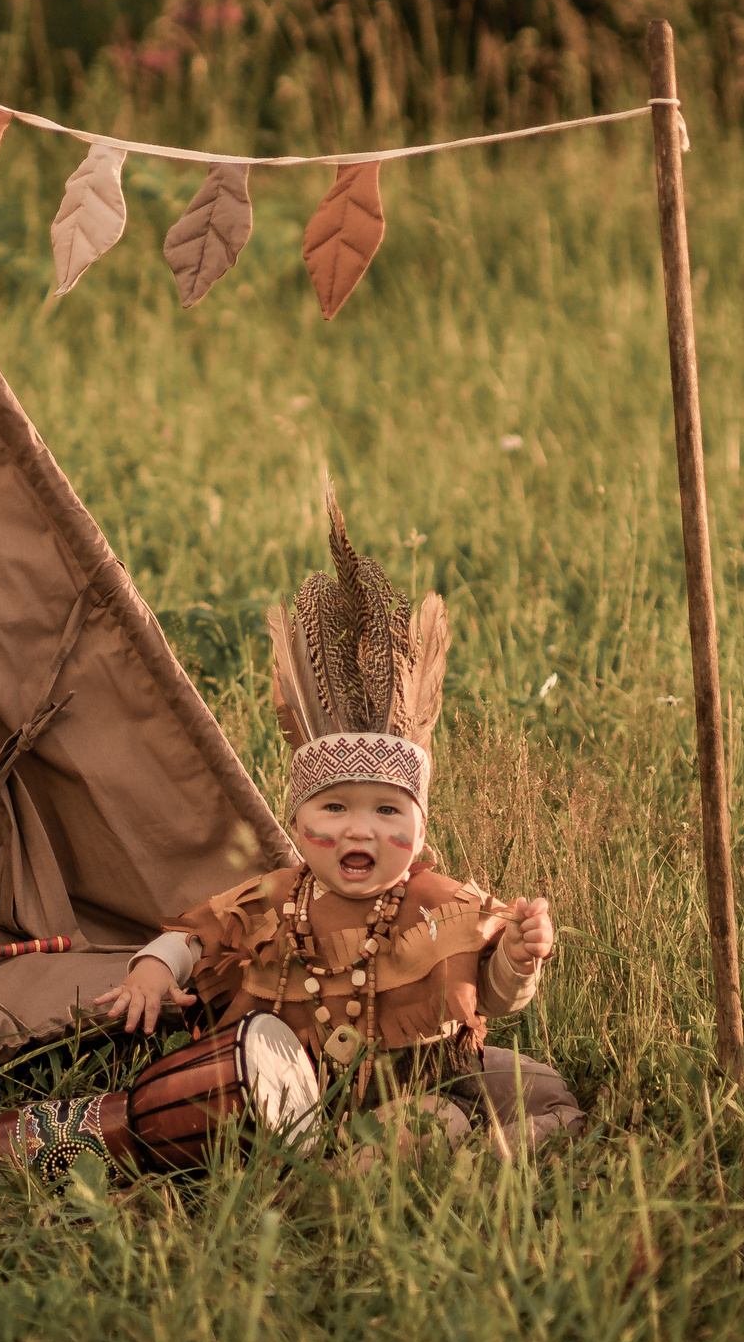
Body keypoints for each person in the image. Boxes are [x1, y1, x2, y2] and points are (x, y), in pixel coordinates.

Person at [91, 495, 585, 1157]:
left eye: (387, 811)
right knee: (432, 1124)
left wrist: (520, 957)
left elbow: (490, 991)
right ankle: (389, 1156)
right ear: (296, 823)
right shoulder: (278, 899)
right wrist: (152, 974)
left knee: (542, 1088)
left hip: (424, 1068)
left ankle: (459, 1148)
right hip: (305, 1090)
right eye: (335, 809)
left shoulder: (438, 905)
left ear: (419, 824)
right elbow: (195, 934)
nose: (362, 831)